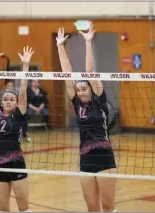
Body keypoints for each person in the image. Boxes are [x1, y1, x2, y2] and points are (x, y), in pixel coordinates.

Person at [57, 22, 117, 212]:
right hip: (85, 159)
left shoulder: (100, 100)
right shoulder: (77, 104)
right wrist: (60, 46)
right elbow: (66, 73)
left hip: (105, 158)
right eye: (79, 89)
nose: (81, 92)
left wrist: (88, 43)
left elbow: (89, 72)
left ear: (92, 88)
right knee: (92, 207)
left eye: (84, 88)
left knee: (107, 206)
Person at [0, 44, 33, 212]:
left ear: (16, 103)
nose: (8, 101)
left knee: (24, 208)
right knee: (2, 209)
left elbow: (22, 91)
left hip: (17, 164)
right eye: (5, 99)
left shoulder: (19, 113)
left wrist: (26, 66)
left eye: (11, 99)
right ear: (1, 102)